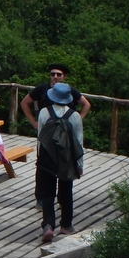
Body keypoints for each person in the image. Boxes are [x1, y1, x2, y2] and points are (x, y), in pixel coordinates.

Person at [36, 82, 84, 243]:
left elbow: (40, 137)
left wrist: (39, 158)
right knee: (66, 190)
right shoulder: (74, 116)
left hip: (47, 157)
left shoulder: (44, 112)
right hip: (67, 158)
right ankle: (66, 225)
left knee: (47, 193)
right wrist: (79, 165)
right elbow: (78, 141)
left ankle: (48, 225)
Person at [20, 63, 91, 130]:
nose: (55, 77)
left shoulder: (69, 90)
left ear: (64, 76)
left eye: (59, 74)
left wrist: (77, 121)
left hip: (66, 129)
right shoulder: (42, 88)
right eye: (53, 74)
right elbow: (24, 103)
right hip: (46, 128)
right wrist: (34, 123)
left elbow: (86, 104)